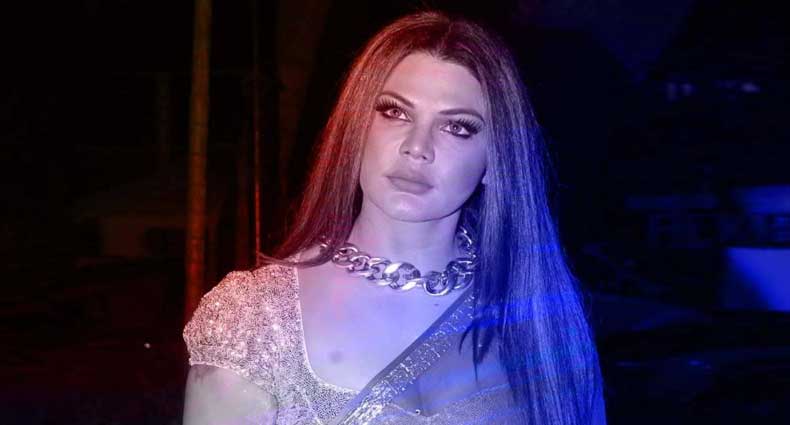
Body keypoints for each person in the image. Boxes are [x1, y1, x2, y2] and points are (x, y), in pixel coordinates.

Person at [182, 9, 606, 425]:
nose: (417, 147)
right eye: (395, 112)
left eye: (457, 127)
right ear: (355, 128)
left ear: (497, 160)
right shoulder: (253, 319)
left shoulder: (537, 318)